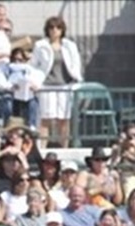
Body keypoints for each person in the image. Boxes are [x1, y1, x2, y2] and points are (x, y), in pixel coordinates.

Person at [31, 16, 81, 148]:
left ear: (62, 30)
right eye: (51, 27)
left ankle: (64, 148)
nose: (54, 30)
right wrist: (34, 81)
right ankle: (42, 148)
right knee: (46, 118)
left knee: (63, 119)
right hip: (46, 86)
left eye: (58, 27)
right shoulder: (40, 45)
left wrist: (76, 79)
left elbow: (75, 64)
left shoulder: (69, 46)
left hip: (65, 86)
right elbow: (33, 65)